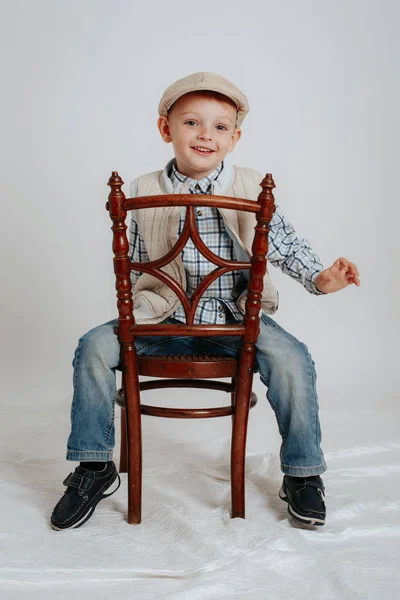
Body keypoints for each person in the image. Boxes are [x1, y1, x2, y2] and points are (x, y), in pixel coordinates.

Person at [50, 72, 360, 530]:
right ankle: (94, 467)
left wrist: (320, 278)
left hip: (235, 321)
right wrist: (136, 308)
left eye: (218, 127)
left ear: (234, 139)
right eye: (192, 122)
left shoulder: (253, 187)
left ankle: (302, 472)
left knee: (293, 360)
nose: (204, 135)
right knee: (93, 346)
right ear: (166, 129)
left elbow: (285, 244)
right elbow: (137, 262)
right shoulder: (141, 190)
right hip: (161, 317)